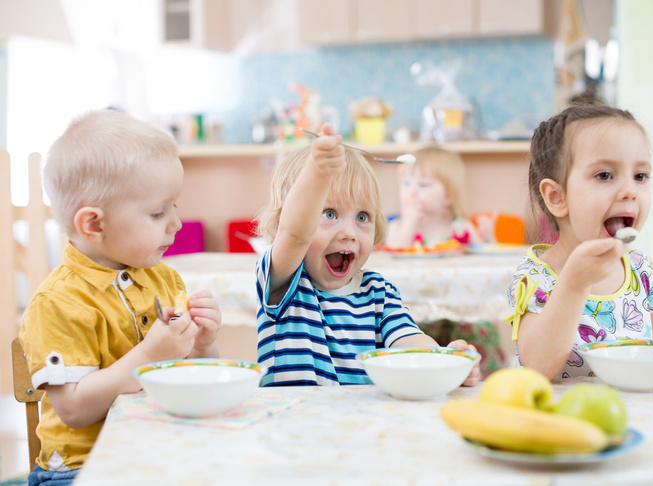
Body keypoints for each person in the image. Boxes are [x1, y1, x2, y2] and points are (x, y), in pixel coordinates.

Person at [19, 109, 222, 485]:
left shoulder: (163, 279)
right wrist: (149, 356)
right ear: (94, 224)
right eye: (158, 212)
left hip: (158, 449)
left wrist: (202, 347)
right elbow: (75, 410)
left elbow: (186, 375)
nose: (176, 223)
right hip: (84, 468)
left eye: (173, 206)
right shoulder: (58, 303)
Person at [505, 103, 653, 381]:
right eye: (605, 175)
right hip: (557, 418)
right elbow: (537, 368)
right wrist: (574, 284)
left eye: (640, 176)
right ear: (556, 197)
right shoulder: (536, 279)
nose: (629, 191)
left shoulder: (641, 271)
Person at [254, 124, 480, 386]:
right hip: (289, 424)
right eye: (329, 214)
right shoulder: (283, 281)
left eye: (362, 217)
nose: (349, 233)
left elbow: (408, 340)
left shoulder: (379, 292)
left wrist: (445, 360)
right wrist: (318, 173)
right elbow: (294, 234)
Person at [385, 146, 486, 249]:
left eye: (423, 184)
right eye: (406, 183)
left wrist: (489, 237)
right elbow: (395, 255)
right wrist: (408, 225)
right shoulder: (397, 227)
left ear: (449, 196)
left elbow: (482, 256)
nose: (412, 191)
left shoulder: (461, 227)